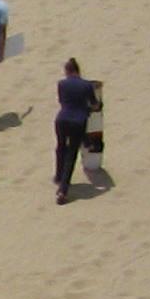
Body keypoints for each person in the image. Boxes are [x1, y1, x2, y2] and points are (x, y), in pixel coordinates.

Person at [52, 57, 103, 201]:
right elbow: (94, 104)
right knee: (71, 154)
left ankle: (58, 176)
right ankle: (63, 189)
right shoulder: (87, 85)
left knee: (60, 147)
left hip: (62, 119)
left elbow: (62, 102)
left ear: (67, 71)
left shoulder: (62, 84)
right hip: (78, 121)